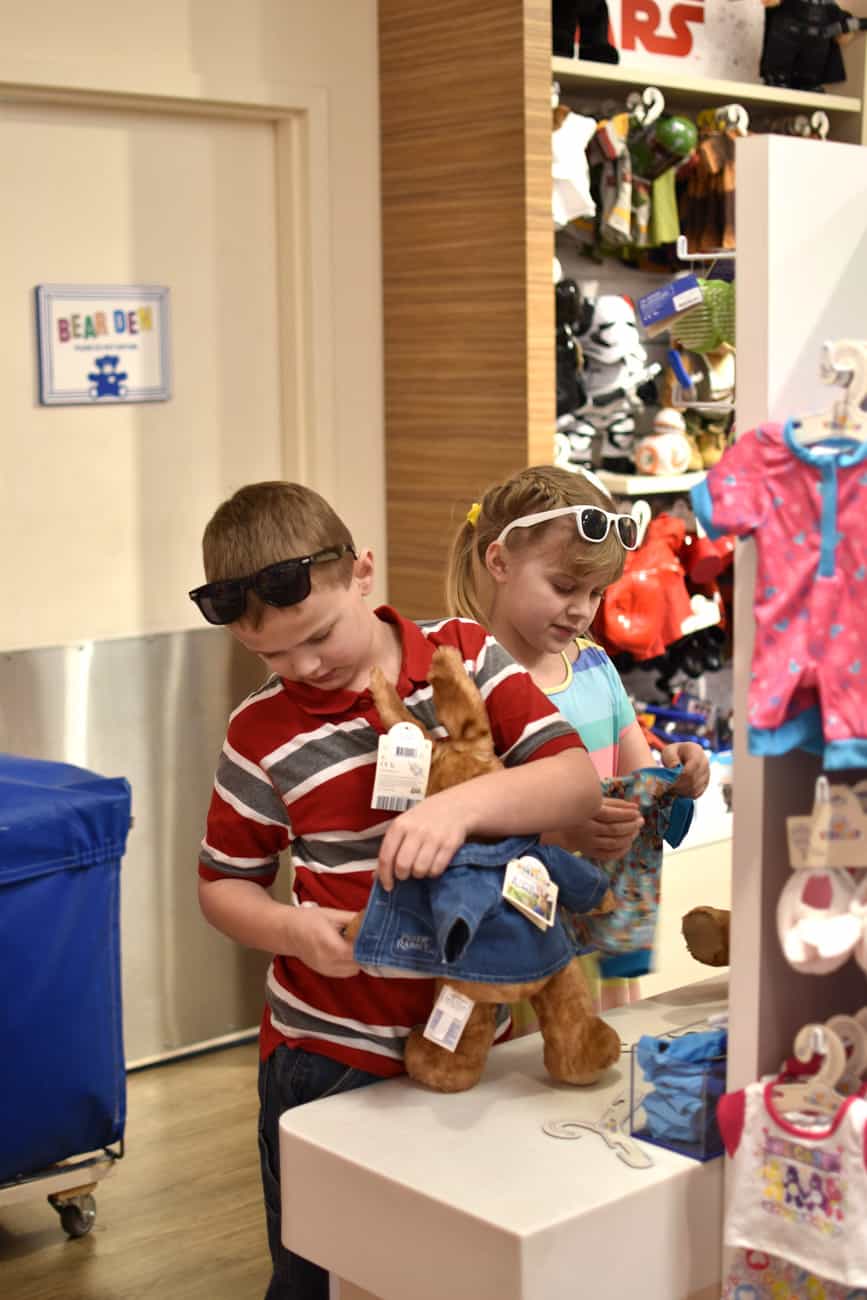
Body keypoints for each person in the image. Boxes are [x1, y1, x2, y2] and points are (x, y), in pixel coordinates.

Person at [190, 480, 603, 1300]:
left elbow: (575, 785)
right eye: (271, 655)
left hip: (480, 1041)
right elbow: (222, 886)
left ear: (363, 575)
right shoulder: (258, 732)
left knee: (454, 1267)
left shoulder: (467, 656)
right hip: (329, 1056)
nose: (302, 667)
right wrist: (295, 933)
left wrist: (460, 807)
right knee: (323, 1272)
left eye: (317, 637)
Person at [446, 464, 710, 1009]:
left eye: (595, 592)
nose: (581, 610)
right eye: (564, 586)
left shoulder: (593, 665)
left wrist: (675, 772)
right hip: (513, 938)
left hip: (599, 932)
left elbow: (636, 780)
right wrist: (565, 835)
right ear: (498, 561)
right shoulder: (466, 684)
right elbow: (457, 824)